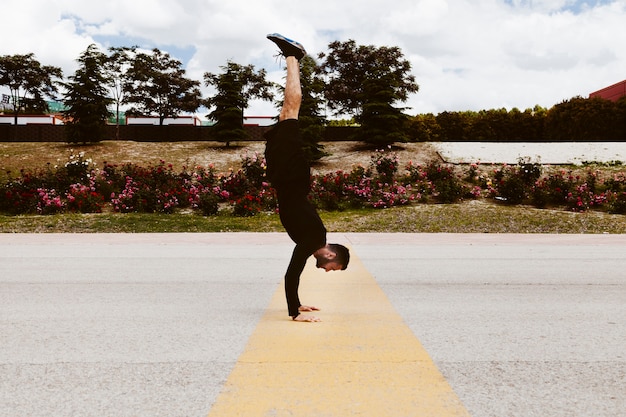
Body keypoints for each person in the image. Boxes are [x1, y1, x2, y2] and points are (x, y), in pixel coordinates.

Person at [264, 33, 350, 322]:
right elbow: (292, 273)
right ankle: (293, 56)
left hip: (289, 177)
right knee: (290, 113)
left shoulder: (315, 238)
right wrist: (293, 314)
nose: (327, 271)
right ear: (331, 256)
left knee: (286, 116)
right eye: (332, 268)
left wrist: (299, 305)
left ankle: (292, 58)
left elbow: (295, 274)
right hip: (290, 176)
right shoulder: (314, 240)